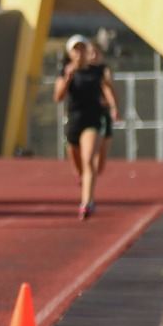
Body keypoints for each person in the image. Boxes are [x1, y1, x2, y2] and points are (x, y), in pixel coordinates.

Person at [54, 34, 117, 219]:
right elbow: (58, 97)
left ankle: (86, 203)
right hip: (74, 121)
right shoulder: (65, 72)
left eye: (82, 48)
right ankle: (85, 183)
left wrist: (113, 107)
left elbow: (107, 89)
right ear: (70, 53)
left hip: (93, 120)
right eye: (76, 49)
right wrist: (67, 78)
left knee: (89, 159)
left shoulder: (97, 71)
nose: (79, 52)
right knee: (79, 167)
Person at [88, 37, 119, 177]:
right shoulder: (80, 71)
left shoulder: (103, 70)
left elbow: (108, 89)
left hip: (102, 112)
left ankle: (94, 173)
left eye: (96, 52)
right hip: (86, 114)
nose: (93, 56)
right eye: (91, 52)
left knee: (102, 152)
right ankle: (87, 173)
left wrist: (114, 107)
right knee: (88, 151)